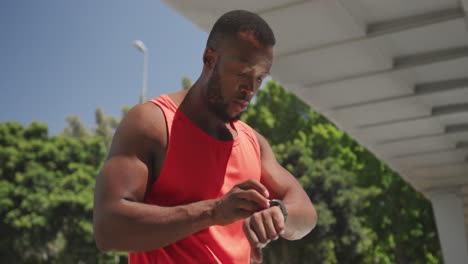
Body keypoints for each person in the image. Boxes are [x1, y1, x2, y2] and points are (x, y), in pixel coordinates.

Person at [93, 10, 317, 264]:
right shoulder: (153, 124)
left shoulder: (253, 143)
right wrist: (212, 212)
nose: (250, 88)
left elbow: (306, 214)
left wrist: (280, 214)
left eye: (259, 78)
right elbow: (108, 229)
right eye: (243, 73)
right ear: (209, 58)